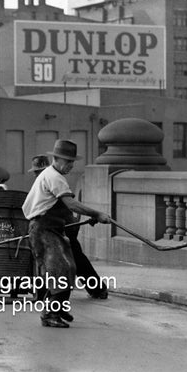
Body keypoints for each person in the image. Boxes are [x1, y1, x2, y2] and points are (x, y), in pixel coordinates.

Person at [22, 140, 111, 328]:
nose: (70, 165)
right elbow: (71, 204)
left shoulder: (53, 175)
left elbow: (64, 208)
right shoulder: (53, 176)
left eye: (72, 162)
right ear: (56, 159)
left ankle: (58, 308)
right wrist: (97, 214)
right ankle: (49, 314)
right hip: (43, 229)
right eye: (67, 161)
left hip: (52, 229)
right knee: (60, 270)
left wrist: (87, 217)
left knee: (68, 268)